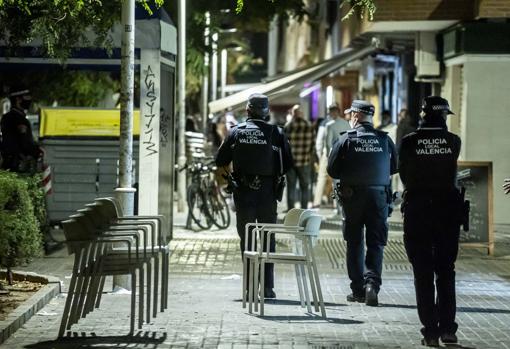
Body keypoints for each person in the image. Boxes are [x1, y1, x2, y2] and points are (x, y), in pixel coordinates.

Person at [215, 93, 293, 298]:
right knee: (268, 238)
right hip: (268, 192)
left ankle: (250, 287)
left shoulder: (236, 132)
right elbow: (288, 163)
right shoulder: (277, 132)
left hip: (243, 191)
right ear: (267, 112)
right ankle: (267, 287)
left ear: (248, 110)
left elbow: (219, 159)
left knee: (247, 239)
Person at [399, 96, 462, 347]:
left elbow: (404, 173)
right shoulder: (453, 141)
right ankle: (448, 330)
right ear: (443, 116)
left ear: (424, 114)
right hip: (447, 211)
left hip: (417, 211)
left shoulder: (408, 142)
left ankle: (430, 332)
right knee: (446, 271)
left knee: (422, 272)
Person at [327, 100, 397, 307]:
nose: (349, 118)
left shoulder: (346, 139)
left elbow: (332, 169)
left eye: (350, 115)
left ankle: (358, 289)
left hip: (352, 198)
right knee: (376, 242)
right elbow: (394, 166)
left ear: (356, 116)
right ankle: (371, 286)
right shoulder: (384, 139)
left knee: (355, 242)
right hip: (379, 198)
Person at [0, 88, 41, 173]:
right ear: (18, 99)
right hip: (18, 165)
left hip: (9, 162)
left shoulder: (8, 117)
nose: (29, 100)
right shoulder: (18, 119)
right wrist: (38, 150)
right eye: (27, 97)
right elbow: (25, 142)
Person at [284, 104, 315, 210]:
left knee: (291, 188)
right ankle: (303, 210)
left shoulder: (288, 126)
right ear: (301, 113)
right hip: (304, 161)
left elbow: (284, 146)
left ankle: (291, 210)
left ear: (293, 114)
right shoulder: (309, 125)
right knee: (305, 188)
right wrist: (309, 156)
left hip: (290, 163)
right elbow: (313, 144)